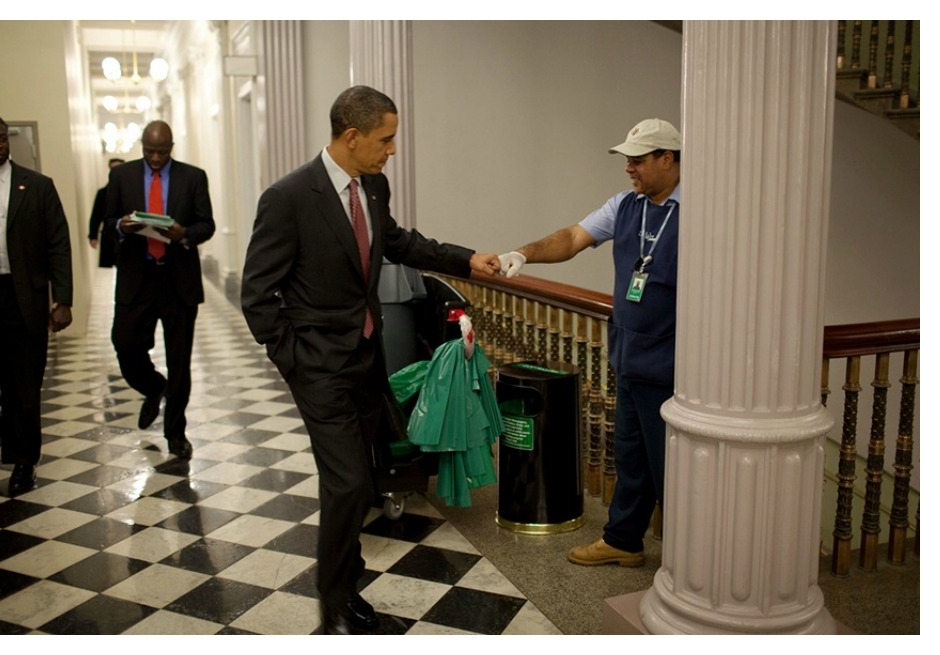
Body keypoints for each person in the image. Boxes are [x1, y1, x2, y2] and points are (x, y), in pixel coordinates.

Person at [240, 85, 500, 635]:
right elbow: (257, 293)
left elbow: (400, 243)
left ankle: (347, 587)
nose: (392, 150)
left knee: (360, 478)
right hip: (320, 368)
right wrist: (294, 361)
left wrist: (466, 259)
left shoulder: (372, 187)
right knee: (350, 484)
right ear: (352, 136)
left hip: (365, 359)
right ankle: (332, 605)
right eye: (386, 139)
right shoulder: (288, 198)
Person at [497, 118, 681, 568]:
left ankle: (693, 566)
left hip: (675, 362)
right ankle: (623, 539)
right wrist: (523, 253)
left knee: (672, 469)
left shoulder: (701, 211)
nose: (629, 169)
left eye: (638, 161)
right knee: (631, 456)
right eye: (627, 161)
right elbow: (574, 238)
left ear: (668, 159)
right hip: (630, 356)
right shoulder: (625, 206)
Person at [103, 120, 215, 459]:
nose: (155, 157)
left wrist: (183, 234)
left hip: (177, 280)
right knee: (124, 343)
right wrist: (122, 226)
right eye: (149, 151)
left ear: (171, 147)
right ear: (141, 145)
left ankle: (175, 433)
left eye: (162, 152)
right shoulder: (121, 177)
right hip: (137, 278)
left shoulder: (192, 177)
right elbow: (107, 222)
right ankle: (154, 387)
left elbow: (206, 224)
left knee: (180, 361)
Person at [0, 112, 73, 495]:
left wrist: (62, 299)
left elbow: (59, 245)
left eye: (2, 139)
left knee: (23, 386)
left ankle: (23, 461)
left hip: (22, 300)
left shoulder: (36, 186)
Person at [88, 157, 125, 267]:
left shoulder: (131, 192)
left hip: (128, 235)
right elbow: (96, 215)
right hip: (109, 235)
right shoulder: (103, 193)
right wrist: (93, 236)